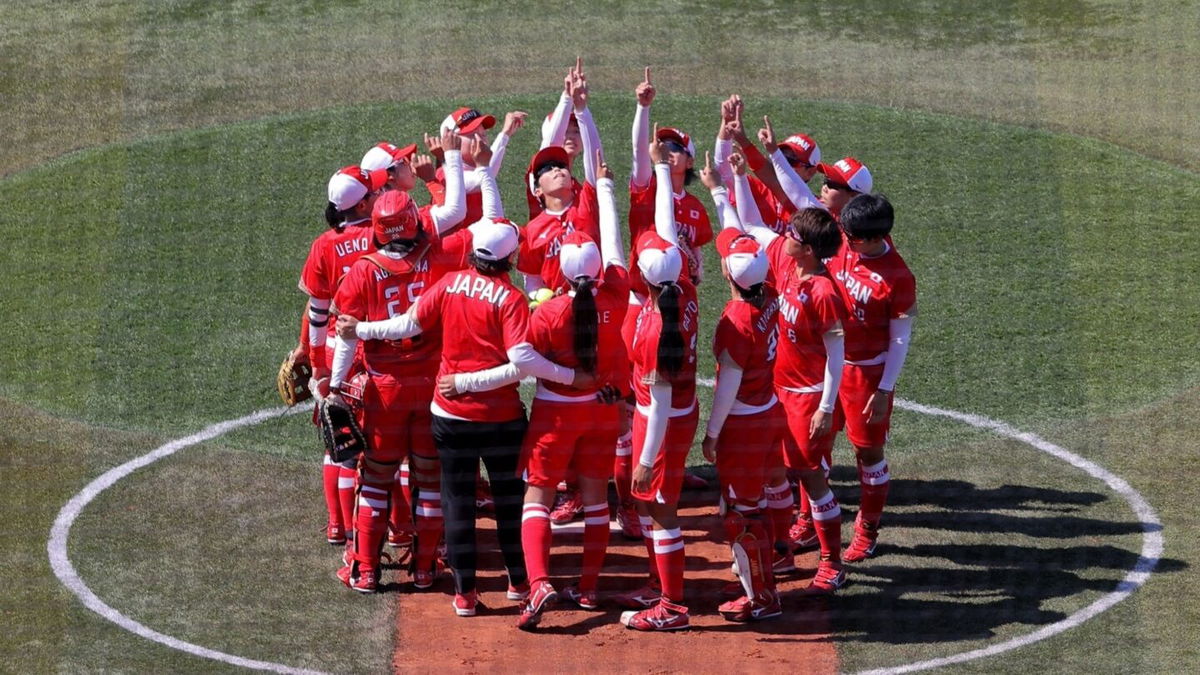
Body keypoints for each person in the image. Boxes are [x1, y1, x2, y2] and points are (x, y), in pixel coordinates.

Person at [337, 213, 594, 616]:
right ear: (508, 259)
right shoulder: (510, 300)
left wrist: (362, 331)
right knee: (510, 500)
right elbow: (521, 362)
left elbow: (406, 323)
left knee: (456, 501)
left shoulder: (449, 284)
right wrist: (569, 376)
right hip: (500, 417)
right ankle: (517, 581)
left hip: (448, 414)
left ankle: (464, 594)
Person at [326, 185, 474, 593]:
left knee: (374, 478)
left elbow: (346, 336)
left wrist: (337, 386)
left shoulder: (361, 270)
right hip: (433, 388)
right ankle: (425, 569)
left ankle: (367, 569)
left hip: (383, 392)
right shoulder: (441, 257)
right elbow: (482, 220)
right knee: (429, 478)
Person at [721, 152, 851, 594]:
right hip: (781, 392)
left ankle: (833, 562)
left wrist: (826, 409)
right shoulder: (787, 263)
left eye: (793, 233)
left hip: (808, 397)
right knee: (778, 470)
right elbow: (753, 227)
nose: (785, 234)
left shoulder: (823, 291)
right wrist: (738, 177)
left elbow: (838, 355)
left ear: (810, 248)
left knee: (812, 479)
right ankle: (781, 549)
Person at [509, 153, 629, 630]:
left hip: (555, 415)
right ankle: (590, 586)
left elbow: (520, 361)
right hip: (602, 412)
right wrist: (605, 189)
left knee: (536, 500)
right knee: (598, 501)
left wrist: (565, 378)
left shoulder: (548, 313)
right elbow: (616, 245)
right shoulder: (618, 293)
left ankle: (539, 583)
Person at [614, 67, 713, 541]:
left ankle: (663, 469)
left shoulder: (693, 207)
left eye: (676, 147)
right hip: (642, 302)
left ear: (688, 161)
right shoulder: (648, 190)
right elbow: (638, 155)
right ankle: (632, 491)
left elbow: (697, 256)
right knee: (639, 394)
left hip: (676, 301)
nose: (666, 151)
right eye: (664, 145)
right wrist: (642, 107)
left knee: (663, 385)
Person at [616, 139, 701, 632]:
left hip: (661, 423)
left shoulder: (650, 329)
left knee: (661, 507)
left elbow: (659, 400)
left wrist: (646, 461)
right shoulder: (682, 290)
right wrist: (660, 176)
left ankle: (672, 605)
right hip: (680, 414)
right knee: (655, 506)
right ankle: (657, 583)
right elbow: (667, 231)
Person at [296, 163, 388, 547]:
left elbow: (316, 314)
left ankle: (339, 525)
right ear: (365, 201)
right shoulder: (383, 233)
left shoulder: (323, 244)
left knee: (339, 439)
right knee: (387, 445)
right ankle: (398, 528)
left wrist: (315, 361)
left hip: (336, 350)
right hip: (378, 344)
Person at [701, 224, 786, 622]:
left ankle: (763, 598)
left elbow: (728, 387)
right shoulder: (769, 296)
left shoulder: (736, 319)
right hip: (769, 411)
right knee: (760, 505)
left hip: (744, 426)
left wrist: (712, 434)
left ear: (728, 273)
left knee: (742, 515)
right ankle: (764, 578)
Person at [825, 193, 916, 563]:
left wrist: (884, 389)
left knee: (867, 452)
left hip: (867, 375)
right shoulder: (850, 243)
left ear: (868, 239)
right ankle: (805, 516)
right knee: (817, 440)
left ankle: (867, 529)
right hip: (831, 365)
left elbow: (900, 338)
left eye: (848, 235)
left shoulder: (898, 277)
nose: (843, 239)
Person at [713, 95, 822, 234]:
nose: (782, 163)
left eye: (791, 160)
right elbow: (723, 170)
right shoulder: (759, 189)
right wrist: (726, 123)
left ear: (810, 172)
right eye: (781, 156)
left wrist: (745, 142)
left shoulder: (814, 209)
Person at [424, 107, 528, 230]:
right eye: (472, 134)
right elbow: (484, 176)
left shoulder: (474, 167)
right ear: (451, 140)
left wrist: (506, 133)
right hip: (461, 246)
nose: (481, 139)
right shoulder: (445, 174)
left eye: (483, 133)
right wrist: (504, 135)